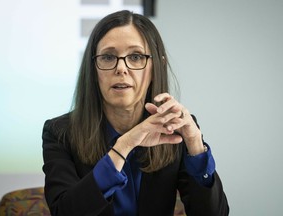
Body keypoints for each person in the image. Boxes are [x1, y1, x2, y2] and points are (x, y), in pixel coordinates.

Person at [42, 10, 229, 216]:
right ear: (93, 69)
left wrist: (195, 144)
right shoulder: (59, 132)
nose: (121, 68)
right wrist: (124, 145)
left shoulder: (175, 128)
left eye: (136, 56)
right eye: (108, 57)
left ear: (157, 65)